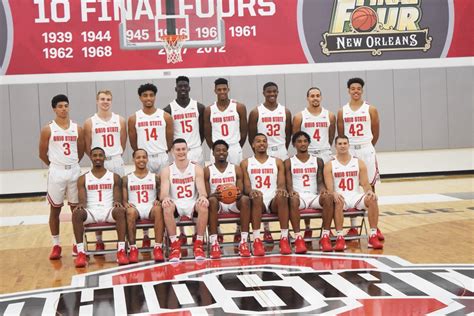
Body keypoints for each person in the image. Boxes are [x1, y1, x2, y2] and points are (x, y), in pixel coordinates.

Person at [39, 94, 85, 260]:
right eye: (60, 106)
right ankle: (56, 245)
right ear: (54, 109)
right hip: (56, 171)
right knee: (55, 209)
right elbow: (41, 153)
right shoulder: (48, 129)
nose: (64, 108)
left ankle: (76, 243)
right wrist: (55, 164)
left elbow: (81, 151)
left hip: (73, 170)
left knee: (76, 210)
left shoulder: (77, 128)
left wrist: (71, 164)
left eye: (66, 105)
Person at [83, 90, 127, 252]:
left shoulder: (120, 120)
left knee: (120, 200)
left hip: (116, 160)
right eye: (102, 99)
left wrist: (114, 156)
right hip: (99, 163)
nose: (105, 102)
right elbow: (88, 146)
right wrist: (98, 160)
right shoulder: (90, 122)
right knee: (96, 200)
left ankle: (121, 240)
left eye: (108, 99)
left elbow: (123, 143)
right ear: (96, 101)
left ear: (112, 101)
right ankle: (99, 239)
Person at [323, 136, 384, 251]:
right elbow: (329, 188)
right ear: (335, 146)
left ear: (349, 145)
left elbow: (366, 184)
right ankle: (340, 237)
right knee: (338, 201)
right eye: (340, 144)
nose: (342, 146)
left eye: (345, 143)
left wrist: (370, 192)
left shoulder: (358, 162)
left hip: (355, 196)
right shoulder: (330, 164)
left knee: (373, 199)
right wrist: (333, 194)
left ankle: (373, 235)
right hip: (341, 197)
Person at [248, 82, 292, 241]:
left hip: (280, 149)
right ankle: (265, 230)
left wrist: (281, 150)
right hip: (262, 148)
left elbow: (288, 134)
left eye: (274, 91)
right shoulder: (256, 112)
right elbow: (251, 135)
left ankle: (286, 232)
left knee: (282, 189)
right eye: (268, 91)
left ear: (278, 92)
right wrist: (259, 149)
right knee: (262, 191)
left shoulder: (285, 111)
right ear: (264, 93)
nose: (271, 94)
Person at [337, 78, 381, 237]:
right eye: (353, 88)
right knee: (350, 187)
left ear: (362, 90)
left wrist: (366, 146)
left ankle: (375, 227)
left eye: (358, 89)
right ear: (348, 90)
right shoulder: (342, 111)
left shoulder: (371, 109)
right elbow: (341, 134)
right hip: (350, 151)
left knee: (370, 187)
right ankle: (353, 225)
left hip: (366, 148)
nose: (356, 91)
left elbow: (376, 133)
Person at [72, 147, 128, 267]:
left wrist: (118, 202)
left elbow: (117, 198)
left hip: (108, 211)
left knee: (120, 211)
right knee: (77, 213)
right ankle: (81, 252)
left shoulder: (114, 177)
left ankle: (121, 251)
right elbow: (82, 200)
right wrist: (81, 205)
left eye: (100, 155)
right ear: (91, 158)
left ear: (104, 158)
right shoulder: (83, 178)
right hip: (92, 212)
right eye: (95, 155)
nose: (97, 158)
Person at [292, 87, 336, 239]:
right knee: (307, 188)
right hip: (308, 153)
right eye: (312, 96)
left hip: (324, 153)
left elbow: (331, 138)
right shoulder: (299, 116)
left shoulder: (329, 115)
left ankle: (328, 227)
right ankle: (308, 226)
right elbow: (297, 136)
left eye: (318, 95)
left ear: (321, 97)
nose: (315, 98)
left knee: (327, 190)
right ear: (307, 98)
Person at [241, 133, 291, 256]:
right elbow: (247, 187)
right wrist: (251, 191)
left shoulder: (277, 162)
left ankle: (284, 239)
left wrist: (281, 189)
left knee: (283, 195)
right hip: (258, 200)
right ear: (253, 145)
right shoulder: (246, 163)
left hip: (273, 199)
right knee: (257, 197)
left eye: (264, 141)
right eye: (258, 141)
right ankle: (257, 240)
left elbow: (281, 183)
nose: (261, 143)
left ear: (267, 144)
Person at [160, 139, 209, 262]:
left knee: (203, 206)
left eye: (183, 149)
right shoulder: (167, 170)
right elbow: (163, 193)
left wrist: (202, 196)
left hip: (191, 203)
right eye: (178, 149)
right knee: (166, 206)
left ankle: (198, 243)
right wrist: (165, 198)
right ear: (172, 151)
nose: (181, 152)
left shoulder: (196, 168)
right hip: (176, 203)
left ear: (187, 150)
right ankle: (174, 245)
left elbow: (202, 190)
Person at [285, 131, 334, 253]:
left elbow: (320, 181)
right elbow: (288, 183)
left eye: (305, 141)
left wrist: (323, 191)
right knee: (292, 199)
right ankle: (298, 238)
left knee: (328, 198)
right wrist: (291, 191)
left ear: (309, 143)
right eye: (299, 141)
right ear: (294, 144)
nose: (302, 144)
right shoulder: (288, 162)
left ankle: (325, 236)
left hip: (313, 197)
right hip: (299, 197)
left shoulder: (318, 161)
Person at [204, 140, 251, 258]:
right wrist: (215, 195)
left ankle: (243, 241)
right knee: (211, 201)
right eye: (218, 150)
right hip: (217, 204)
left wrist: (236, 194)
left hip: (233, 203)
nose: (221, 152)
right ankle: (214, 242)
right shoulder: (208, 170)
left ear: (227, 153)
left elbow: (240, 192)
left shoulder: (236, 169)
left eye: (224, 150)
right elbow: (207, 195)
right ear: (213, 153)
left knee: (245, 200)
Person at [123, 149, 164, 263]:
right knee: (129, 212)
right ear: (133, 159)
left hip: (150, 207)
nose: (141, 160)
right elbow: (124, 200)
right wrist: (126, 204)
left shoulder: (155, 177)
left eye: (143, 157)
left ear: (147, 159)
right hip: (135, 208)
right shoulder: (127, 178)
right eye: (138, 157)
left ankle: (158, 248)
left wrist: (158, 200)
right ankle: (133, 249)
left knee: (158, 209)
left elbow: (160, 195)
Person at [128, 83, 173, 174]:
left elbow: (170, 139)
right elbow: (133, 142)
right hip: (145, 158)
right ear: (140, 97)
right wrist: (141, 154)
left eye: (151, 95)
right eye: (145, 95)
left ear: (155, 97)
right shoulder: (134, 118)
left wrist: (163, 151)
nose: (148, 98)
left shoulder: (165, 116)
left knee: (164, 185)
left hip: (161, 156)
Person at [204, 78, 248, 165]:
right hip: (217, 147)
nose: (222, 92)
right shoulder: (209, 110)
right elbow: (207, 135)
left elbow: (244, 132)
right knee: (217, 176)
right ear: (215, 91)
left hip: (234, 147)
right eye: (219, 90)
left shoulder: (239, 107)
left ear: (228, 89)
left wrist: (237, 146)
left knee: (236, 175)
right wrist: (215, 148)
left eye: (224, 89)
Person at [164, 76, 205, 165]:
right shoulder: (169, 109)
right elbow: (167, 134)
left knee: (199, 177)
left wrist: (196, 143)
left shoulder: (199, 107)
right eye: (180, 86)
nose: (183, 88)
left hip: (195, 150)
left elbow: (202, 131)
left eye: (185, 86)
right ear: (176, 89)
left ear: (189, 88)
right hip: (178, 150)